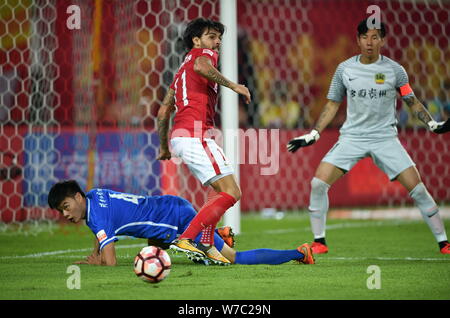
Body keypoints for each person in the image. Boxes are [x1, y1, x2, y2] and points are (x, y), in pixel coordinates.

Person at [287, 18, 450, 255]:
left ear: (383, 40)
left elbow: (411, 101)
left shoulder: (395, 70)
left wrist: (432, 124)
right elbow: (332, 105)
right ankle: (319, 242)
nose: (369, 42)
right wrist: (314, 133)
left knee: (418, 189)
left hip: (385, 138)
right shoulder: (345, 69)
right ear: (358, 40)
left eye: (375, 37)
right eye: (365, 37)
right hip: (352, 137)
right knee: (318, 183)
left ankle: (444, 243)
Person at [156, 18, 251, 264]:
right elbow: (201, 65)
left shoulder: (179, 75)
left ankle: (207, 243)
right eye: (211, 36)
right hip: (195, 135)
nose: (217, 42)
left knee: (217, 191)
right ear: (196, 41)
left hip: (180, 137)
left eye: (219, 37)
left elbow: (163, 112)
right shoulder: (202, 55)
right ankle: (187, 238)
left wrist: (165, 147)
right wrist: (233, 86)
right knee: (232, 192)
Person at [47, 180, 314, 266]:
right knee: (153, 251)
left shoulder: (97, 215)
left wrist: (99, 261)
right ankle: (215, 232)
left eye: (67, 207)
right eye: (62, 211)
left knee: (233, 259)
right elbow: (101, 227)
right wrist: (95, 251)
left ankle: (299, 253)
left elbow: (111, 261)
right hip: (166, 210)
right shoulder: (95, 196)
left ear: (78, 197)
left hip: (176, 219)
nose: (66, 215)